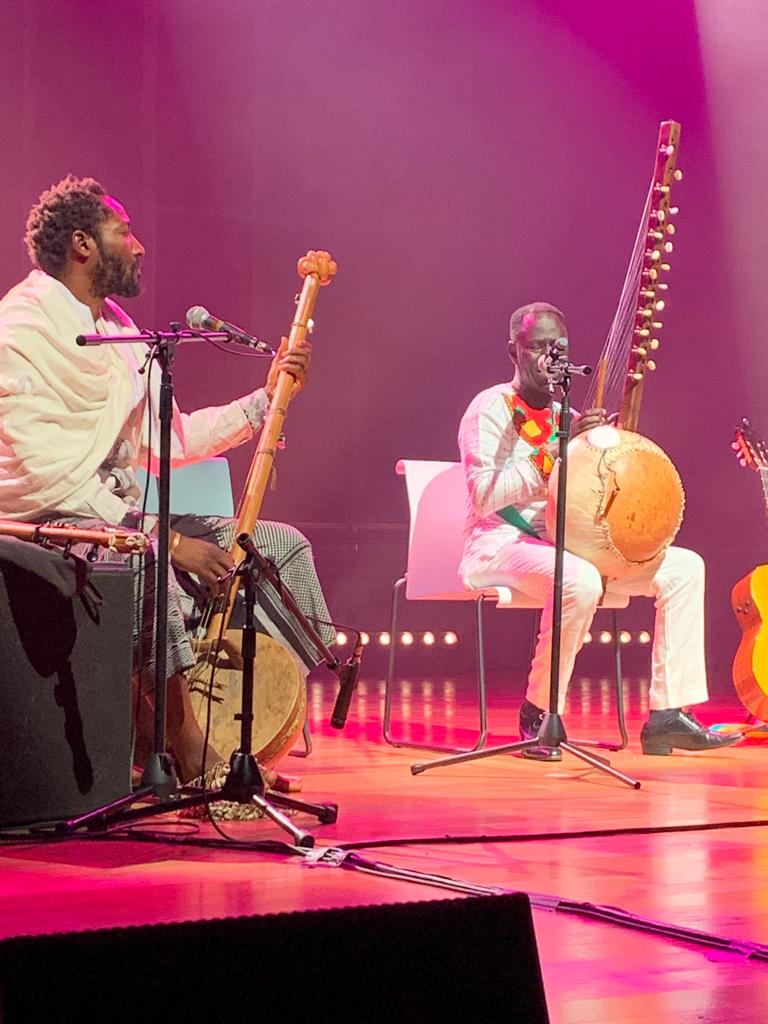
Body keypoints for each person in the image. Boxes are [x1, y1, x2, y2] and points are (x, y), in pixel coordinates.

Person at [0, 174, 334, 786]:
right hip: (45, 522)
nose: (139, 245)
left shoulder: (118, 331)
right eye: (123, 231)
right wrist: (166, 539)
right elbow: (46, 475)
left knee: (278, 548)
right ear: (82, 244)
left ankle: (240, 736)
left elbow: (169, 439)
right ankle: (186, 745)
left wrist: (265, 401)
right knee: (147, 561)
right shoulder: (20, 329)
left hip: (120, 519)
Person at [458, 300, 740, 761]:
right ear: (514, 351)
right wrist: (556, 450)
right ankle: (540, 710)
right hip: (498, 544)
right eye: (538, 348)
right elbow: (484, 496)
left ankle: (668, 714)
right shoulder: (489, 407)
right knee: (580, 578)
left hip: (568, 548)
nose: (550, 358)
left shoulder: (568, 419)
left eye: (559, 348)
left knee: (685, 568)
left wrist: (607, 452)